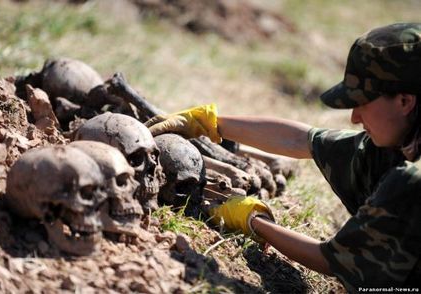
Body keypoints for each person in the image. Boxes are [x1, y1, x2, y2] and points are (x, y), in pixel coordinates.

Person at [145, 23, 421, 290]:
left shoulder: (412, 179)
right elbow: (301, 140)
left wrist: (252, 220)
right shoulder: (400, 142)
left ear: (405, 101)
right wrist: (209, 122)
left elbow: (333, 260)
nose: (354, 117)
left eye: (362, 104)